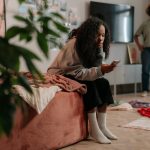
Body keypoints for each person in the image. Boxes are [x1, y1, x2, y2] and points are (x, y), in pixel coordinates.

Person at [47, 17, 118, 144]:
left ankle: (102, 126)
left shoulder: (93, 45)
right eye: (98, 35)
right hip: (62, 74)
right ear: (90, 33)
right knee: (89, 85)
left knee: (103, 83)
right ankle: (94, 129)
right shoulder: (74, 44)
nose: (101, 38)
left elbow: (95, 68)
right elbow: (77, 72)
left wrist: (101, 55)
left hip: (77, 73)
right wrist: (101, 69)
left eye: (103, 35)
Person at [134, 4, 150, 97]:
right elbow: (136, 35)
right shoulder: (145, 24)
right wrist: (139, 46)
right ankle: (145, 90)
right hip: (147, 50)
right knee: (145, 70)